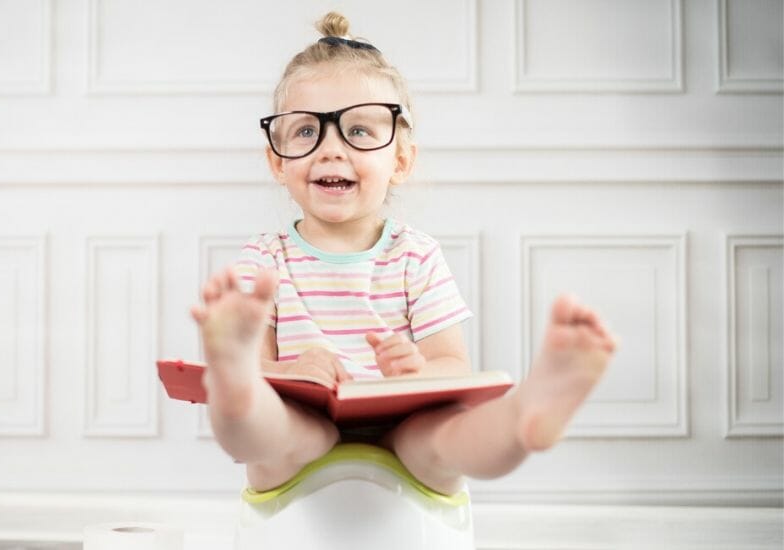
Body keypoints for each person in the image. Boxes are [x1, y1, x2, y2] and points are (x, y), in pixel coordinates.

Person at [190, 12, 617, 495]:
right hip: (303, 423)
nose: (330, 150)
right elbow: (268, 366)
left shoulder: (415, 256)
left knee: (442, 441)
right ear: (276, 159)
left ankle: (523, 418)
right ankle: (235, 393)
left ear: (400, 160)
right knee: (274, 436)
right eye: (307, 132)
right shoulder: (264, 261)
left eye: (360, 130)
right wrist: (283, 370)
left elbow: (453, 363)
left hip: (403, 423)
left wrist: (417, 369)